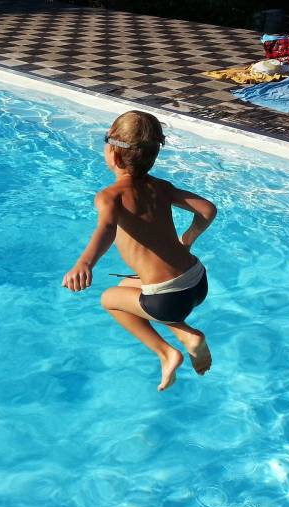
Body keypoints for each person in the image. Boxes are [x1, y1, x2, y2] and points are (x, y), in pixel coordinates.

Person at [62, 110, 217, 391]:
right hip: (198, 280)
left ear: (114, 154)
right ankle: (184, 335)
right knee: (126, 285)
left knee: (110, 298)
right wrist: (187, 239)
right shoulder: (161, 186)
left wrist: (85, 263)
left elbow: (107, 228)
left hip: (169, 300)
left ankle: (167, 351)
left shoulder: (110, 195)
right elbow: (207, 210)